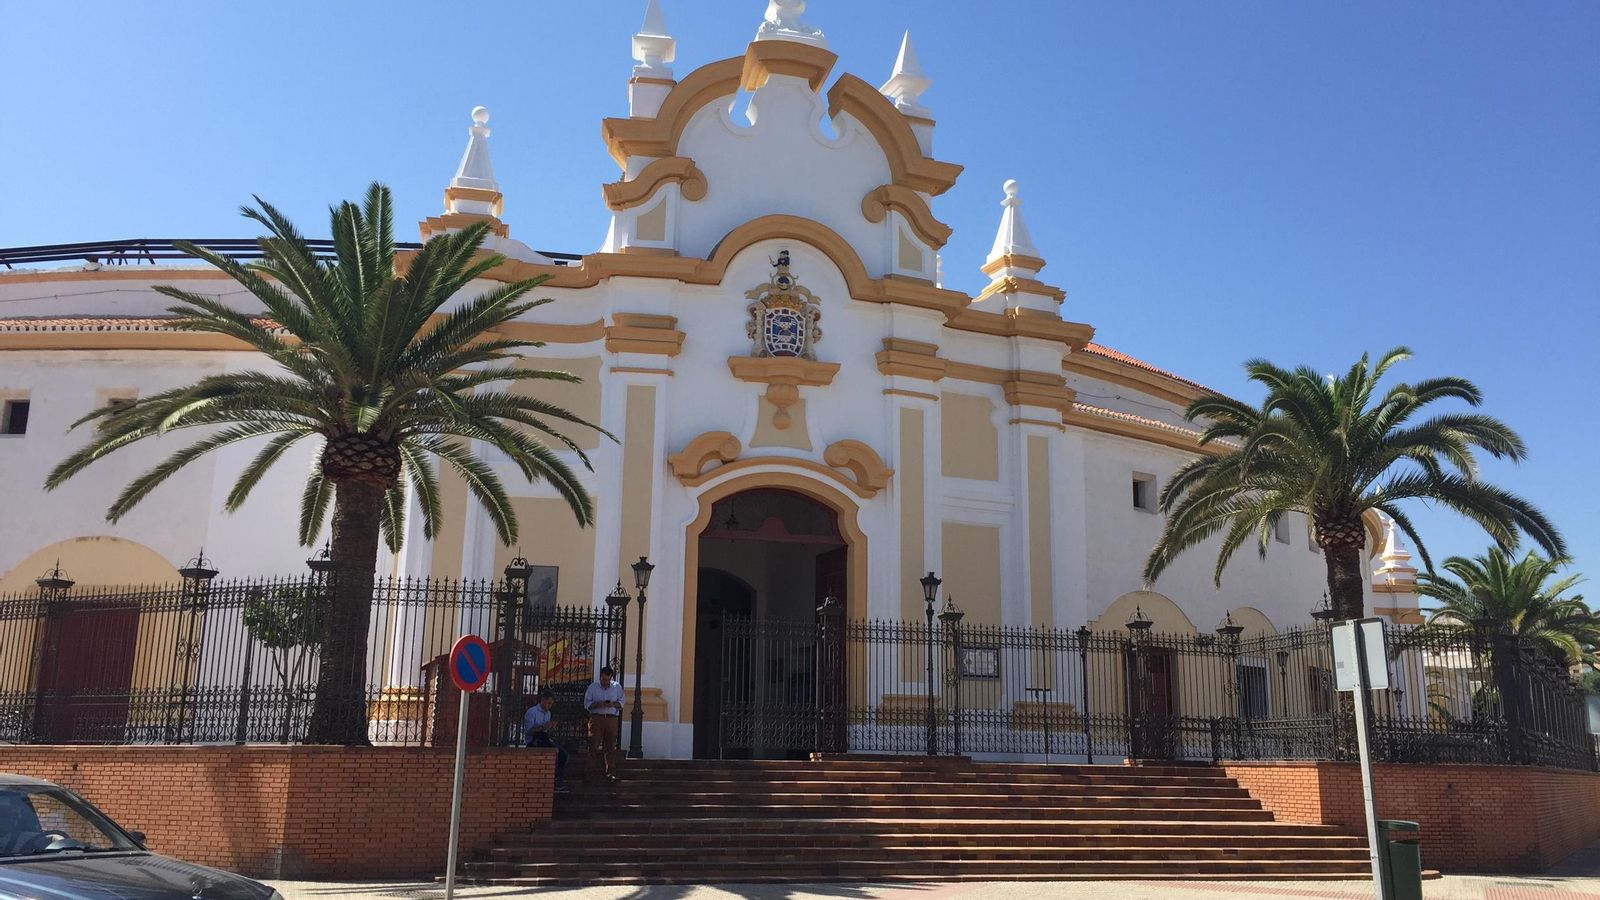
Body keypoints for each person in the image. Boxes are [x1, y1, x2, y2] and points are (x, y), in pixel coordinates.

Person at [582, 666, 625, 782]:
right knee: (593, 746)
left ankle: (611, 773)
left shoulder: (616, 687)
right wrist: (598, 704)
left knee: (610, 746)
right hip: (596, 718)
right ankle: (589, 773)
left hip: (611, 718)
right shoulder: (593, 687)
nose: (605, 682)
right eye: (603, 679)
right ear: (600, 677)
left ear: (611, 678)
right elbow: (587, 704)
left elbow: (621, 702)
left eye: (607, 679)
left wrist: (613, 704)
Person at [522, 691, 569, 793]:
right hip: (534, 741)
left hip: (545, 738)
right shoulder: (532, 712)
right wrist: (542, 727)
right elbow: (528, 731)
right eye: (548, 703)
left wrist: (551, 727)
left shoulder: (548, 713)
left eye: (551, 704)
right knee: (554, 754)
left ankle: (558, 779)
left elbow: (546, 731)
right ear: (543, 700)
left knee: (563, 755)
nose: (549, 706)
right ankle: (553, 781)